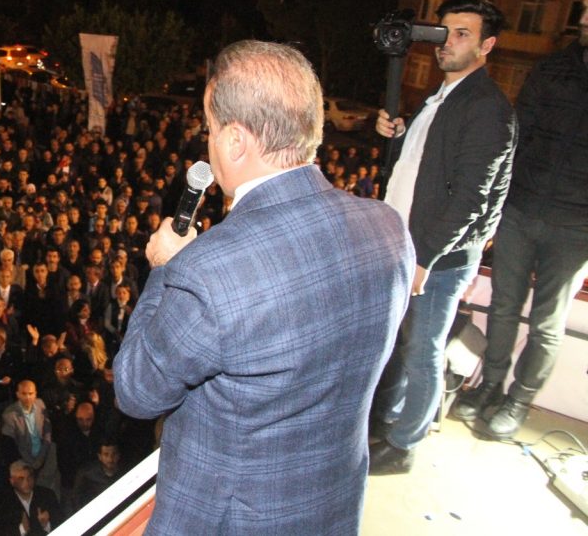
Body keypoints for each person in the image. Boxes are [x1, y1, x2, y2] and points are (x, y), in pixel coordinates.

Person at [113, 40, 414, 534]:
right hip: (333, 507)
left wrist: (166, 267)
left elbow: (136, 391)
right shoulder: (388, 228)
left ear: (235, 141)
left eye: (210, 129)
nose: (208, 142)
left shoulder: (209, 272)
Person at [371, 0, 516, 473]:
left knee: (422, 352)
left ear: (487, 46)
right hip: (410, 245)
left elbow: (471, 199)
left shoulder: (487, 108)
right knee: (404, 347)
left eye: (462, 34)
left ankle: (404, 446)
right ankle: (388, 423)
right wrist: (397, 134)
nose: (446, 42)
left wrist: (425, 258)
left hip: (438, 258)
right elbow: (425, 168)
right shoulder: (442, 97)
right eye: (444, 31)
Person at [450, 0, 588, 439]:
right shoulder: (552, 68)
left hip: (576, 227)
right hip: (522, 208)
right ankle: (489, 386)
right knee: (504, 305)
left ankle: (519, 400)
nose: (584, 17)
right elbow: (518, 136)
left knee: (548, 322)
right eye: (585, 8)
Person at [0, 460, 62, 536]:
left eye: (29, 477)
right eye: (21, 479)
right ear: (12, 481)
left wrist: (46, 525)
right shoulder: (3, 503)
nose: (27, 482)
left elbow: (61, 523)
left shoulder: (47, 495)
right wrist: (22, 529)